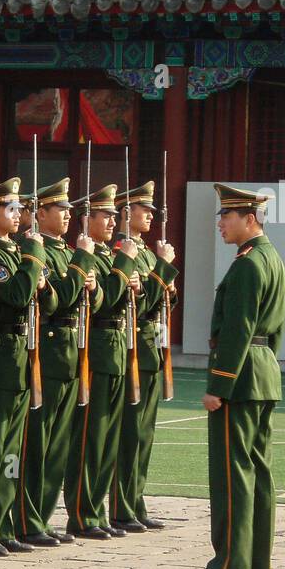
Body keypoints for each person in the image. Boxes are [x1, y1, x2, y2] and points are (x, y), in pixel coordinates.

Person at [197, 183, 285, 569]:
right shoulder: (272, 260)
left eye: (226, 216)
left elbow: (238, 330)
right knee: (258, 471)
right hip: (263, 372)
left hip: (239, 379)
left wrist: (218, 384)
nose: (220, 223)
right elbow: (275, 329)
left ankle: (231, 565)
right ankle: (255, 563)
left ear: (248, 219)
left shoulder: (249, 264)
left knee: (233, 473)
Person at [0, 177, 55, 556]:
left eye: (20, 208)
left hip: (21, 352)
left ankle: (2, 522)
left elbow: (46, 303)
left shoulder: (19, 252)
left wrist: (39, 275)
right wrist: (34, 260)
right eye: (11, 209)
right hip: (0, 351)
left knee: (12, 450)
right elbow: (17, 295)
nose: (19, 215)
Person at [13, 178, 99, 546]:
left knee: (58, 445)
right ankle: (26, 518)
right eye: (60, 209)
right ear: (40, 213)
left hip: (69, 351)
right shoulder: (34, 249)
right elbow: (54, 300)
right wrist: (82, 267)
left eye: (68, 210)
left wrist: (91, 288)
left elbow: (84, 303)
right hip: (45, 351)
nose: (68, 215)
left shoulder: (64, 250)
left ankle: (42, 517)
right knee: (37, 443)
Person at [65, 184, 139, 539]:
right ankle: (83, 512)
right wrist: (124, 271)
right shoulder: (86, 256)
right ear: (87, 219)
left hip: (116, 348)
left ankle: (97, 510)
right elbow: (104, 303)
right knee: (90, 439)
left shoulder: (107, 256)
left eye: (113, 215)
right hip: (95, 349)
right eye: (105, 215)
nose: (113, 220)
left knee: (108, 440)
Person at [110, 181, 179, 533]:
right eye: (144, 209)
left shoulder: (149, 253)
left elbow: (162, 301)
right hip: (134, 347)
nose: (151, 215)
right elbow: (141, 305)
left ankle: (136, 502)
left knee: (145, 435)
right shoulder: (122, 252)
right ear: (127, 213)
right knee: (130, 435)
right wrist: (162, 272)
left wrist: (166, 279)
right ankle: (122, 507)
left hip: (152, 348)